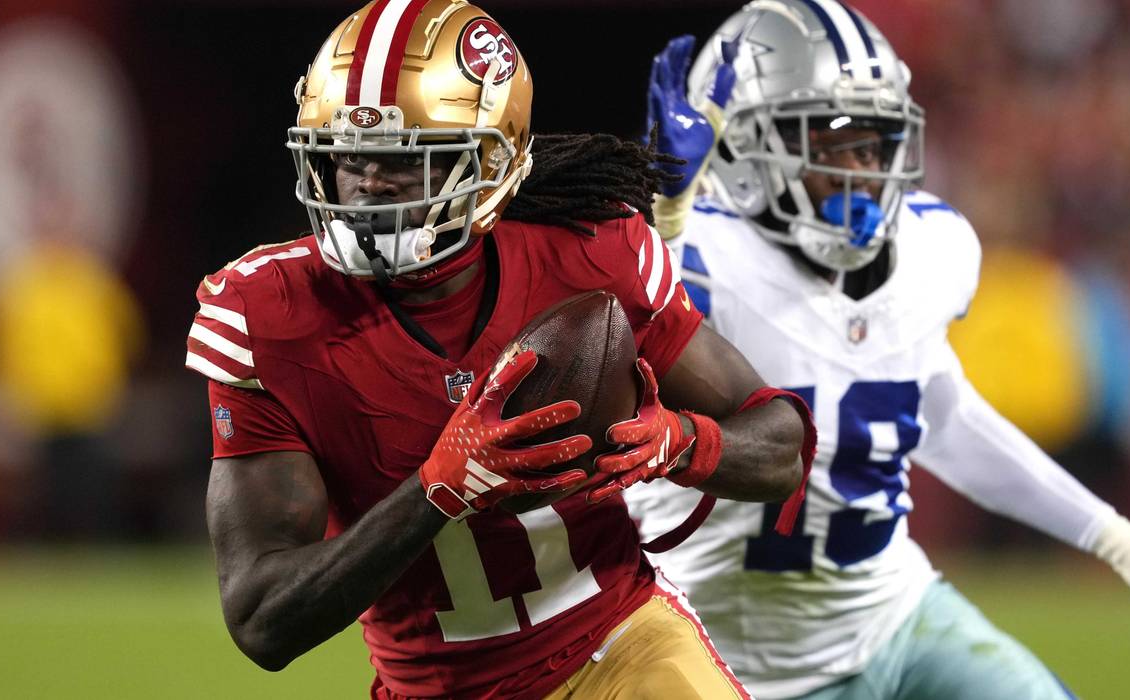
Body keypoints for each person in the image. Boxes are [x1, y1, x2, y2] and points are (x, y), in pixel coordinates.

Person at [184, 1, 814, 698]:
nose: (368, 184)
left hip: (620, 648)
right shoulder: (267, 313)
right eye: (348, 155)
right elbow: (262, 621)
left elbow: (780, 447)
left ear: (491, 162)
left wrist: (679, 441)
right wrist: (438, 489)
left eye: (407, 159)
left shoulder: (589, 254)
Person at [625, 2, 1130, 699]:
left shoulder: (932, 248)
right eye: (832, 144)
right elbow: (641, 308)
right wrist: (667, 219)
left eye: (874, 145)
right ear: (745, 152)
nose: (862, 172)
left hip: (895, 619)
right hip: (723, 659)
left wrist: (1119, 540)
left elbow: (942, 416)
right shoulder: (694, 257)